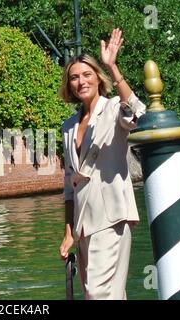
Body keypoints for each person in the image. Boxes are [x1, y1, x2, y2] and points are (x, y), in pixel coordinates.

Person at [58, 29, 146, 299]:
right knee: (101, 295)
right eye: (74, 77)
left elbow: (136, 111)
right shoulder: (68, 127)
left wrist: (113, 66)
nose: (80, 81)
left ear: (98, 78)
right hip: (84, 223)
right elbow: (70, 186)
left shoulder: (112, 108)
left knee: (98, 294)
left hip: (111, 216)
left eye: (87, 75)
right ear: (69, 85)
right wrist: (69, 233)